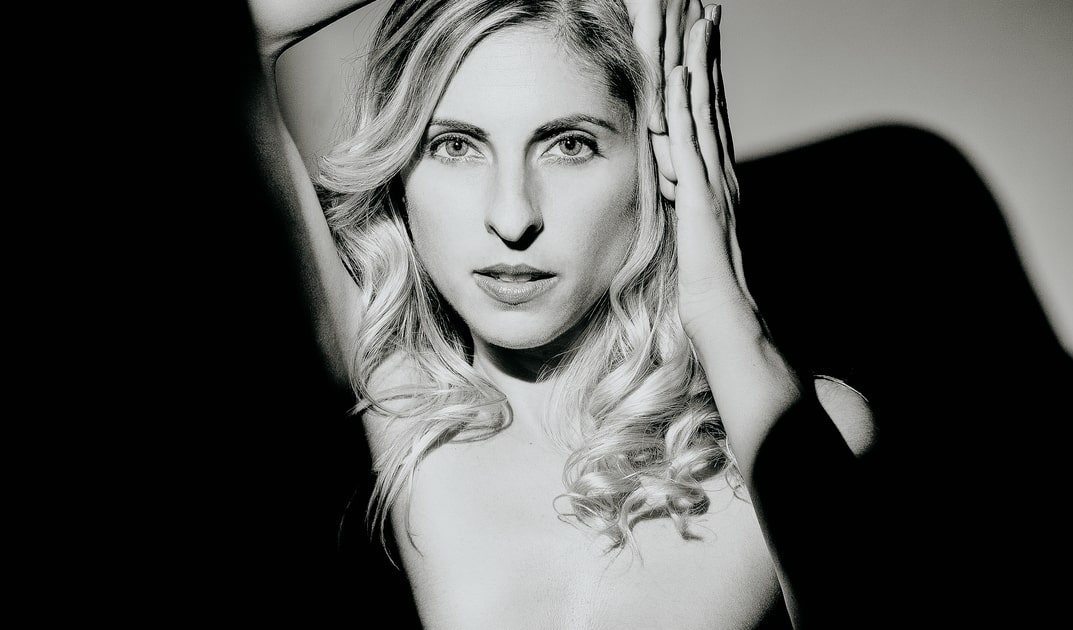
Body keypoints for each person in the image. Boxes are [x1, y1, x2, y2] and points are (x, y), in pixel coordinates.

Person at [249, 0, 875, 627]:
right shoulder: (389, 398)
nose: (512, 217)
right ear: (401, 171)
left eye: (569, 145)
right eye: (455, 145)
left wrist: (720, 304)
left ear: (658, 159)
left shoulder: (803, 428)